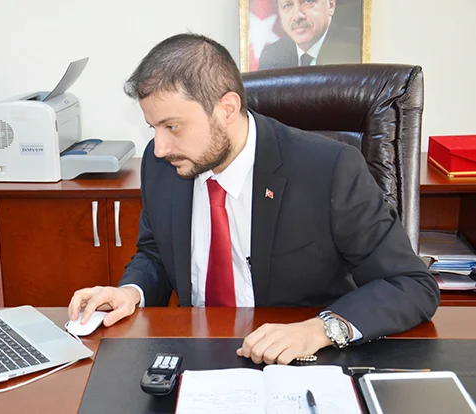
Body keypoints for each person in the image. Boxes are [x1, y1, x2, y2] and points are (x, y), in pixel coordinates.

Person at [68, 33, 440, 365]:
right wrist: (130, 291)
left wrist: (319, 329)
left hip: (300, 359)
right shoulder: (162, 164)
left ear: (227, 109)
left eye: (172, 126)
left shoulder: (329, 169)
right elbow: (155, 253)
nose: (160, 147)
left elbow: (410, 284)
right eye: (154, 127)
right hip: (196, 353)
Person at [258, 0, 360, 70]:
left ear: (331, 5)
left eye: (308, 1)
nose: (297, 16)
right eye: (288, 5)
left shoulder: (357, 46)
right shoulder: (272, 55)